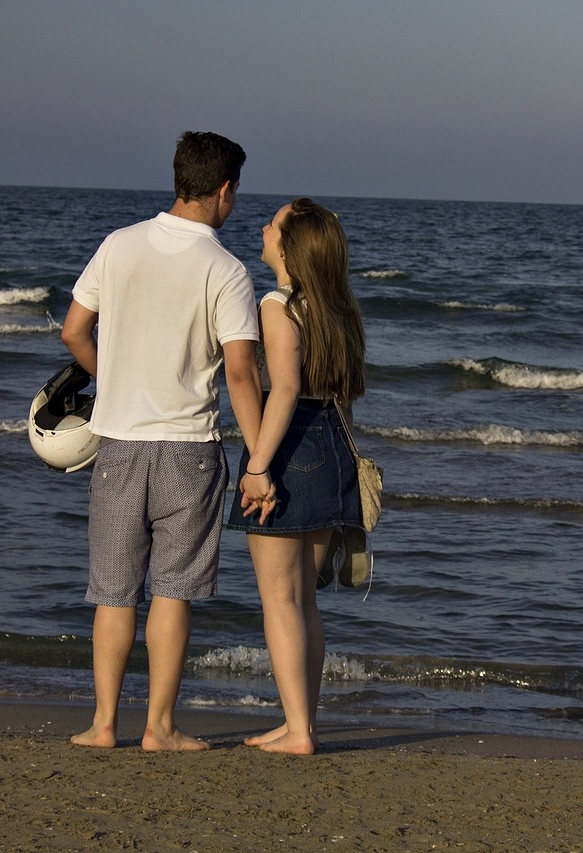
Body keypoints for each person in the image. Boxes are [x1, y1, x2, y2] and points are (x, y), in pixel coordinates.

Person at [60, 131, 269, 751]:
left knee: (114, 588)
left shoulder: (118, 245)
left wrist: (114, 377)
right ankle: (160, 727)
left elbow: (75, 331)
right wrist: (260, 458)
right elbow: (238, 373)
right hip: (187, 448)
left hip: (118, 443)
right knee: (173, 590)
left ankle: (102, 725)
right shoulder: (225, 270)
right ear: (225, 190)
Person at [227, 197, 367, 755]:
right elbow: (344, 399)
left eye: (273, 223)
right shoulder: (336, 308)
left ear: (289, 246)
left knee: (280, 599)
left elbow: (282, 388)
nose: (263, 228)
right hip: (331, 443)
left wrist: (259, 466)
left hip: (288, 446)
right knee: (304, 600)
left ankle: (300, 732)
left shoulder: (277, 304)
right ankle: (297, 723)